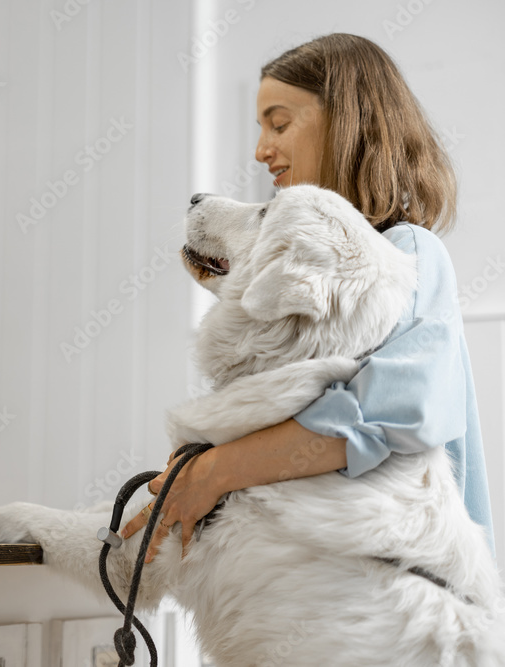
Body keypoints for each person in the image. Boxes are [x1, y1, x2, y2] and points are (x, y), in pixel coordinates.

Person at [122, 33, 495, 561]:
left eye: (279, 124)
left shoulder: (409, 252)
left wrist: (215, 469)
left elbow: (397, 413)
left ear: (349, 124)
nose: (261, 151)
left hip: (398, 603)